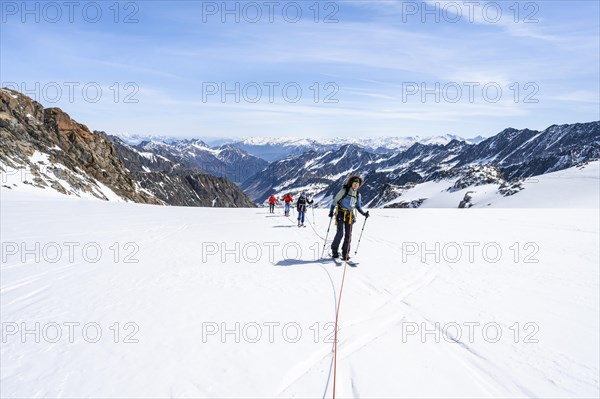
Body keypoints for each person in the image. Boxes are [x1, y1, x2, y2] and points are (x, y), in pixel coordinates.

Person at [328, 175, 370, 261]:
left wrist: (364, 214)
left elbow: (358, 207)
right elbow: (335, 201)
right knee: (340, 233)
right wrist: (331, 211)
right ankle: (334, 250)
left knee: (348, 235)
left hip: (350, 216)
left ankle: (345, 254)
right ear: (351, 183)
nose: (355, 185)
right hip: (340, 213)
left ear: (359, 185)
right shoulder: (344, 191)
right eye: (354, 183)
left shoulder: (358, 195)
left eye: (357, 184)